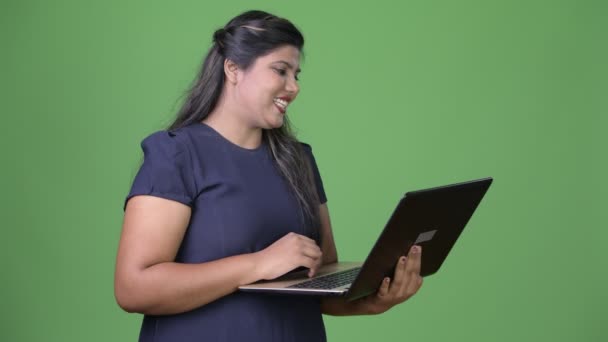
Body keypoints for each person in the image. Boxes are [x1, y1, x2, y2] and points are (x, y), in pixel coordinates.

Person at [114, 10, 423, 342]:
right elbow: (134, 288)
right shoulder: (175, 155)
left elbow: (316, 284)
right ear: (233, 68)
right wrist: (258, 264)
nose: (293, 87)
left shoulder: (299, 160)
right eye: (281, 71)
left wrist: (371, 301)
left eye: (296, 74)